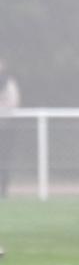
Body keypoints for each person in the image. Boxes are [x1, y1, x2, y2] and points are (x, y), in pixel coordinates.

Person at [0, 58, 21, 199]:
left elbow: (14, 102)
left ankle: (3, 190)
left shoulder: (9, 83)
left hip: (5, 126)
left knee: (4, 159)